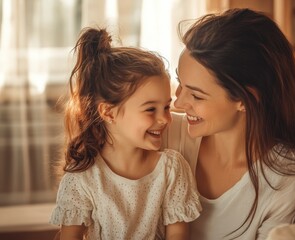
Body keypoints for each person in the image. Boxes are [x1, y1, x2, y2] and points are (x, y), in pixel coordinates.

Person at [161, 8, 295, 240]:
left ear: (246, 100)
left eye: (197, 96)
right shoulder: (163, 135)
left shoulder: (292, 185)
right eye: (180, 83)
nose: (179, 102)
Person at [49, 27, 201, 240]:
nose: (165, 119)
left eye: (167, 107)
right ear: (108, 112)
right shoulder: (83, 178)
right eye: (150, 109)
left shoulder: (172, 169)